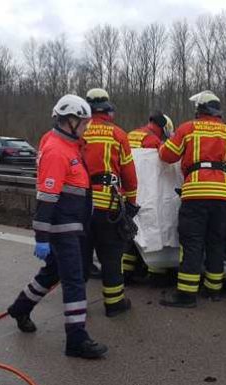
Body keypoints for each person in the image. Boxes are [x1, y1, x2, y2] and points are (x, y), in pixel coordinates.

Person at [7, 94, 108, 359]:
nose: (87, 127)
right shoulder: (56, 150)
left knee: (53, 272)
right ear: (70, 121)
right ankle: (76, 340)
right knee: (74, 280)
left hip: (74, 225)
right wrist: (41, 236)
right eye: (84, 122)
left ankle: (20, 307)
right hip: (62, 228)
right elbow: (47, 197)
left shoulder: (70, 146)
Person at [158, 91, 226, 308]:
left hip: (196, 194)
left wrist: (162, 145)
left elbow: (167, 155)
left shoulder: (188, 128)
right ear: (218, 111)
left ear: (199, 110)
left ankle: (186, 294)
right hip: (221, 195)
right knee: (216, 242)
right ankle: (213, 289)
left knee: (192, 243)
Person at [81, 88, 139, 317]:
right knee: (111, 257)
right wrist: (132, 202)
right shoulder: (117, 134)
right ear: (108, 110)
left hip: (81, 204)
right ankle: (114, 304)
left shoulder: (78, 131)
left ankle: (76, 304)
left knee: (81, 256)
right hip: (109, 207)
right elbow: (129, 174)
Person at [122, 111, 174, 284]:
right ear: (164, 128)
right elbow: (162, 162)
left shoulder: (131, 134)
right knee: (151, 229)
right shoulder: (153, 141)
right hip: (147, 192)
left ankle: (126, 271)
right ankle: (156, 273)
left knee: (132, 233)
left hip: (128, 190)